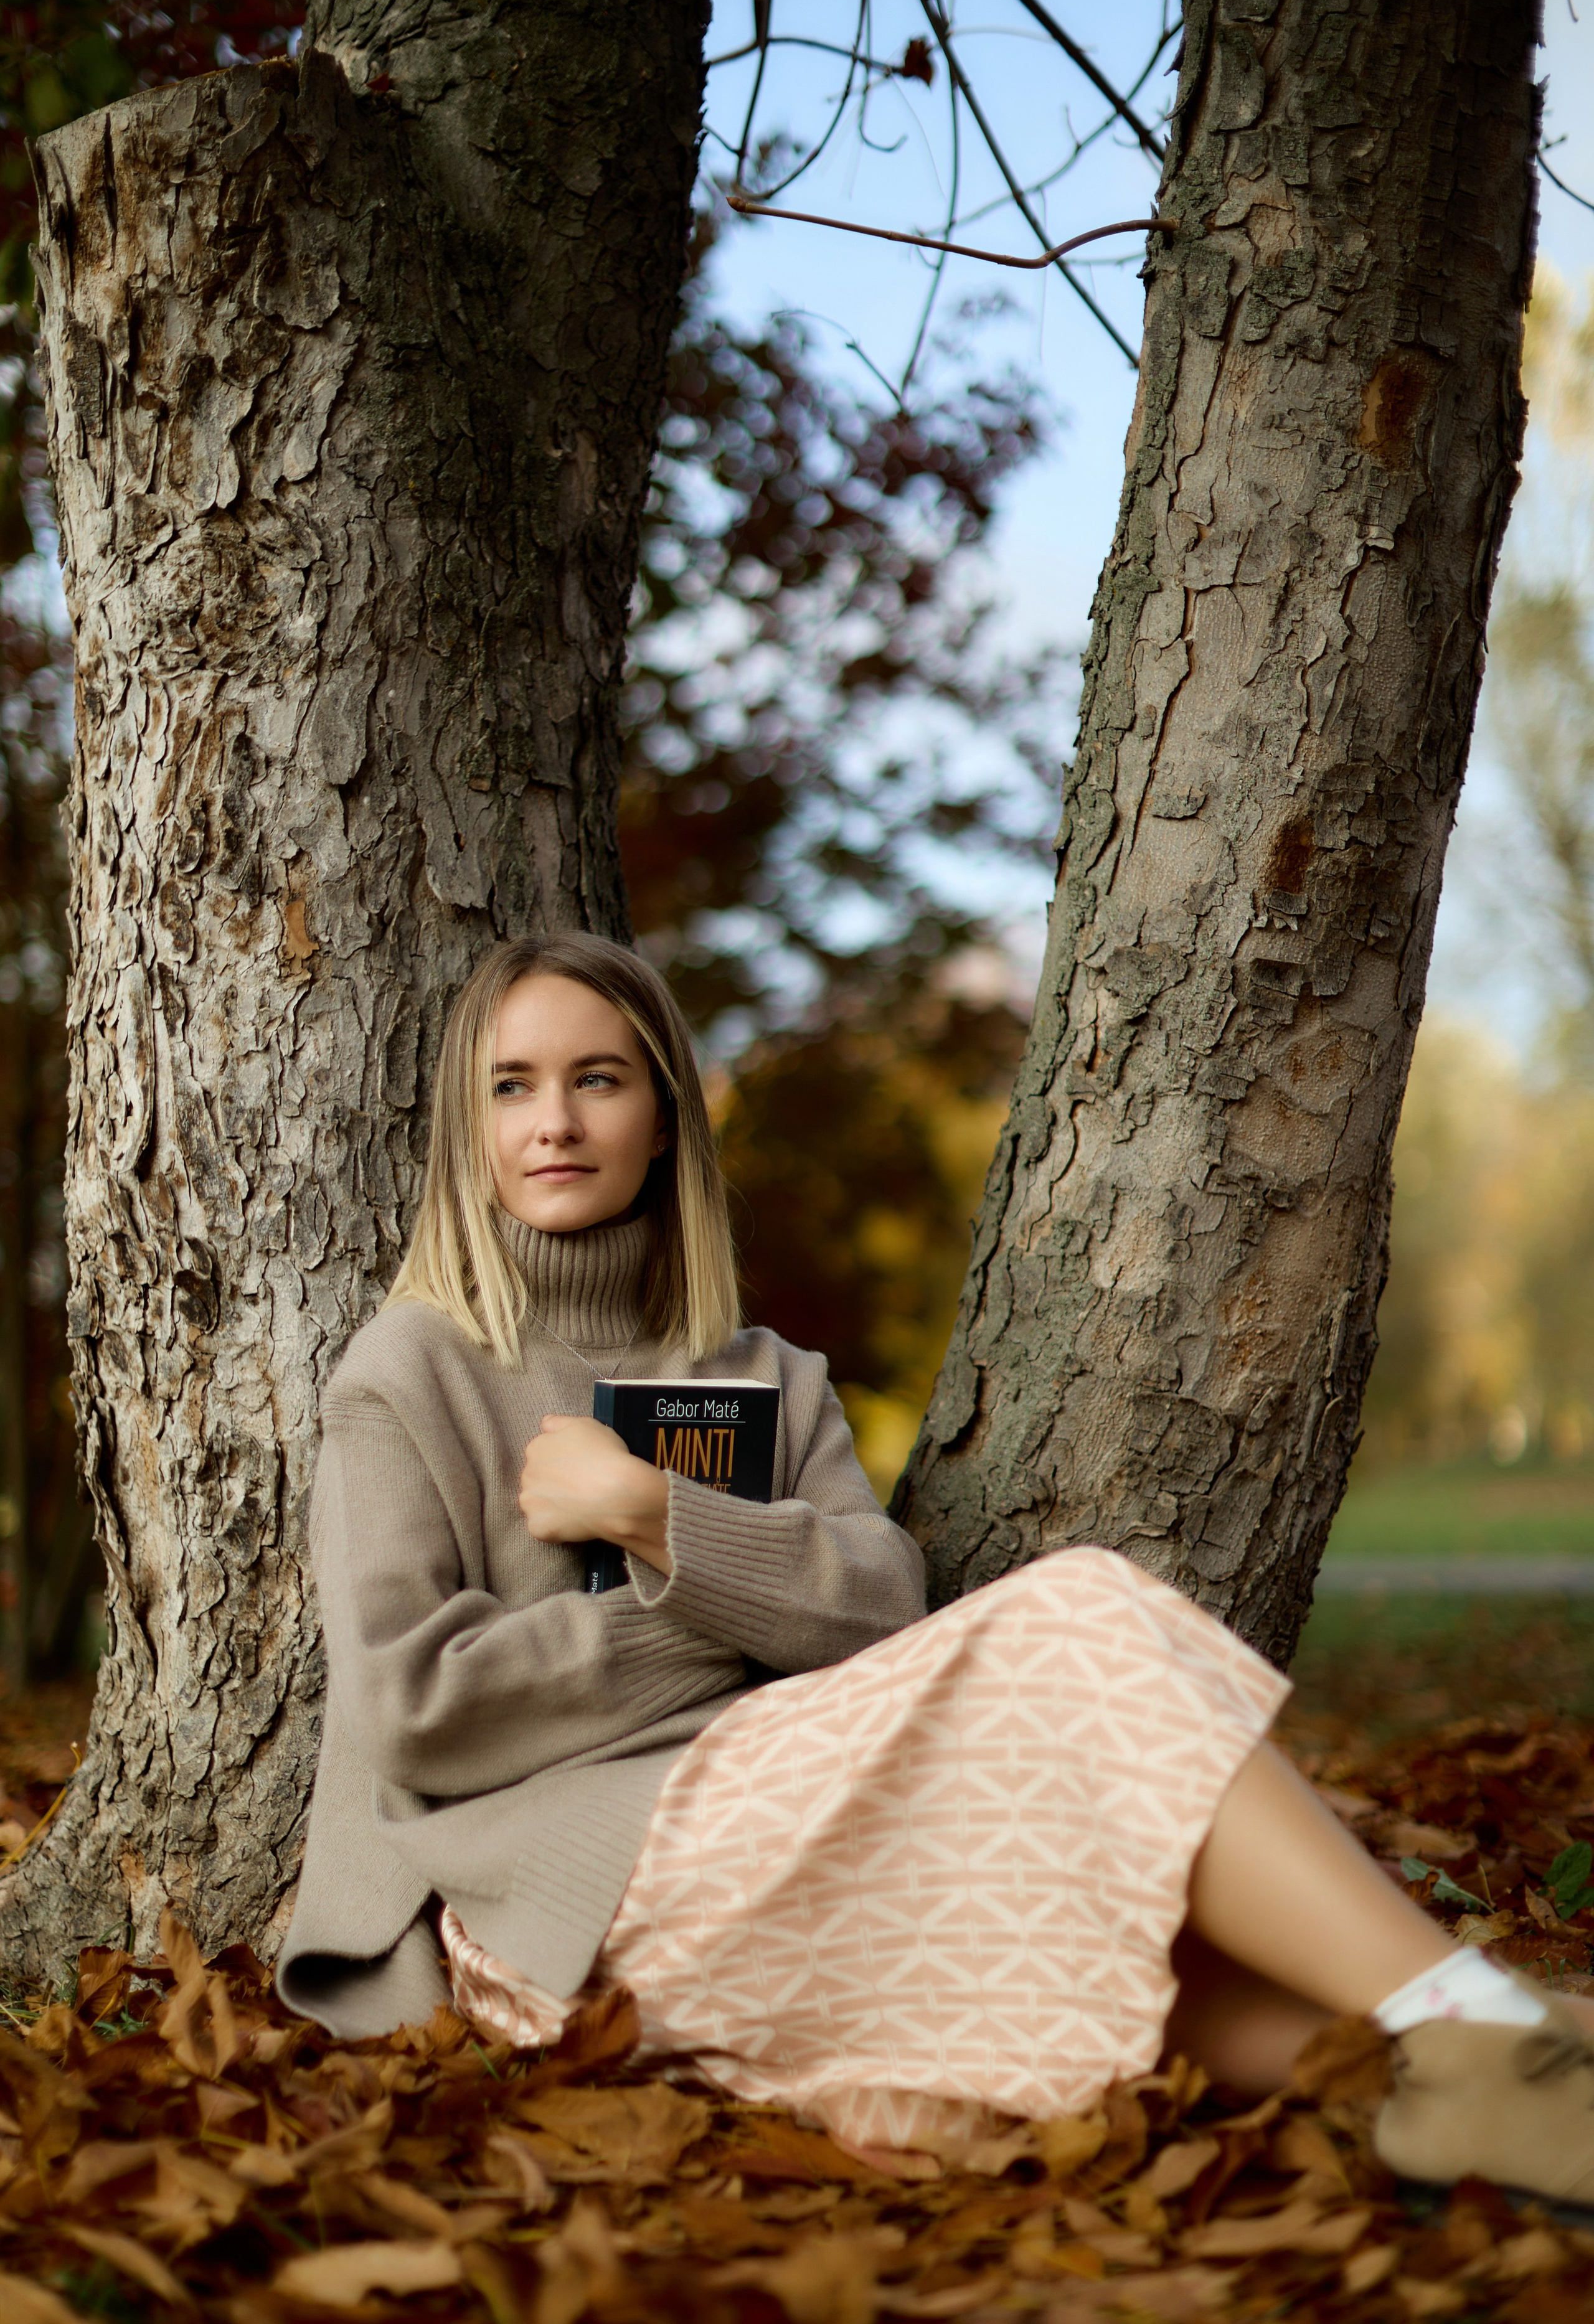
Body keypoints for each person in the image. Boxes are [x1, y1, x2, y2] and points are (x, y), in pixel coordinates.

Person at [280, 931, 1594, 2198]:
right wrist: (727, 1606)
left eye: (596, 1079)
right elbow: (416, 1706)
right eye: (510, 1087)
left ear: (665, 1115)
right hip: (565, 1894)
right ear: (472, 1127)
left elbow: (875, 1607)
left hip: (797, 1819)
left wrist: (654, 1517)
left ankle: (1465, 2087)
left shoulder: (766, 1379)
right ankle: (1483, 2017)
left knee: (1102, 1909)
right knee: (1079, 1614)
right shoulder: (412, 1371)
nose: (552, 1123)